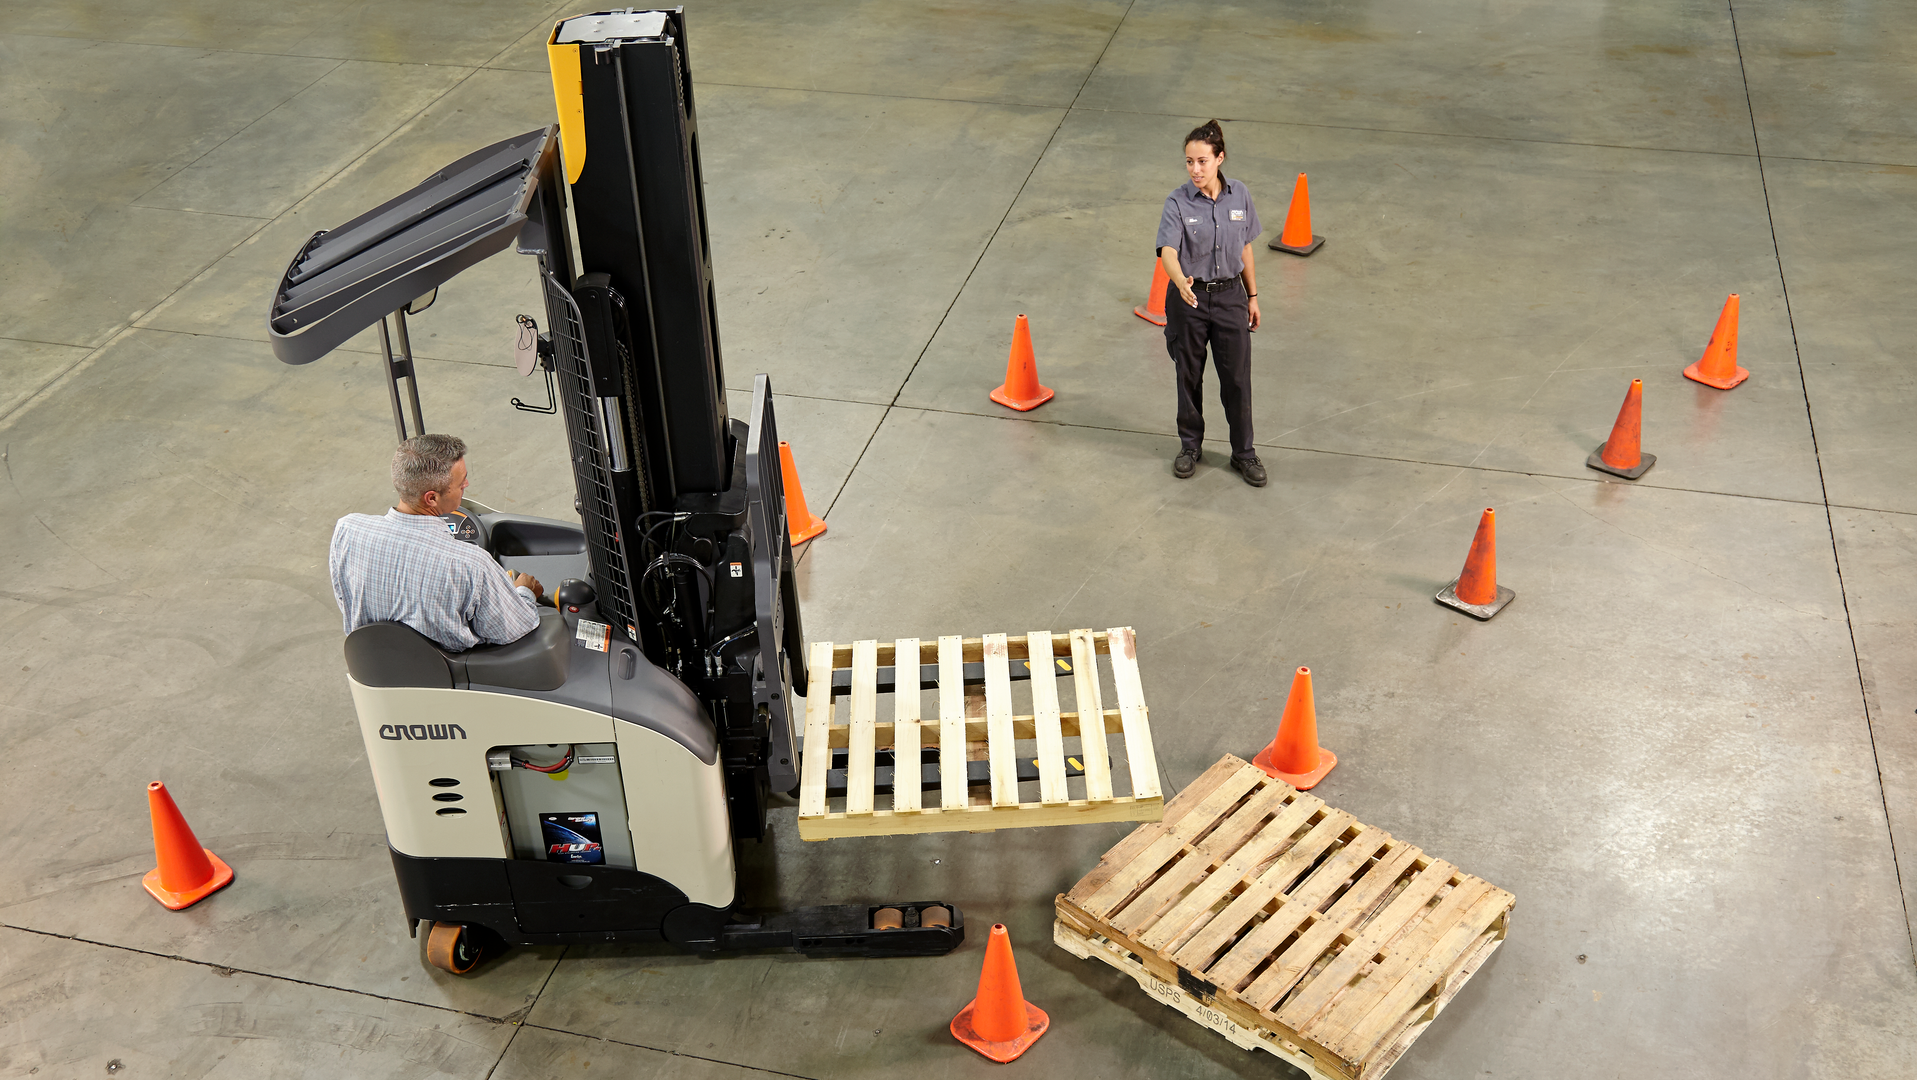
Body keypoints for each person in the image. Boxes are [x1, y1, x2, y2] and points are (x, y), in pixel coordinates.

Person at [330, 433, 546, 651]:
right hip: (450, 671)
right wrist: (524, 592)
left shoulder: (347, 530)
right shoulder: (472, 564)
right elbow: (516, 628)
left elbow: (346, 598)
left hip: (372, 661)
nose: (466, 485)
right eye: (461, 483)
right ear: (431, 498)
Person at [1156, 119, 1266, 487]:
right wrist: (1179, 281)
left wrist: (1252, 296)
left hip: (1230, 297)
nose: (1195, 169)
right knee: (1188, 375)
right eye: (1189, 162)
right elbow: (1168, 251)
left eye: (1202, 161)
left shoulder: (1241, 196)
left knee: (1236, 377)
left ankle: (1244, 453)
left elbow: (1246, 247)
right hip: (1189, 298)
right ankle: (1190, 447)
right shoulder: (1177, 201)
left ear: (1220, 158)